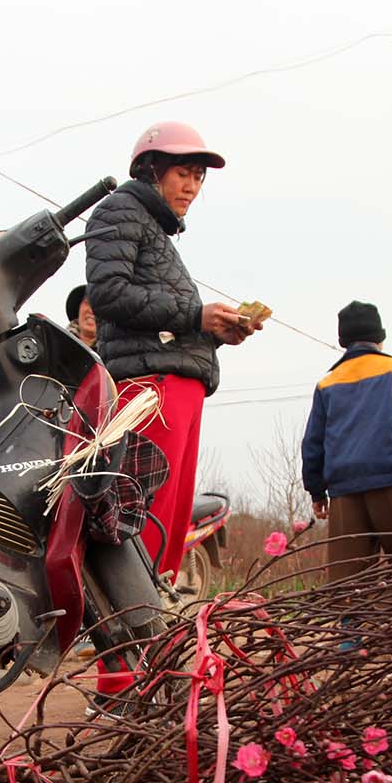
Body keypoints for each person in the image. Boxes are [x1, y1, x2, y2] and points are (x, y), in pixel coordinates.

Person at [84, 121, 258, 578]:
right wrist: (195, 317)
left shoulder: (153, 231)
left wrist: (215, 331)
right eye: (184, 172)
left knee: (169, 522)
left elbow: (160, 314)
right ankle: (122, 637)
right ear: (151, 168)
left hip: (175, 384)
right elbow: (108, 293)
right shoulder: (118, 212)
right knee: (143, 515)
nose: (192, 186)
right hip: (150, 388)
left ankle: (145, 632)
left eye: (199, 177)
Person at [300, 301, 392, 583]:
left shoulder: (327, 383)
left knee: (348, 577)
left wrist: (317, 492)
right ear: (380, 337)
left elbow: (313, 444)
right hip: (391, 481)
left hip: (344, 489)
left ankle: (351, 624)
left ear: (342, 341)